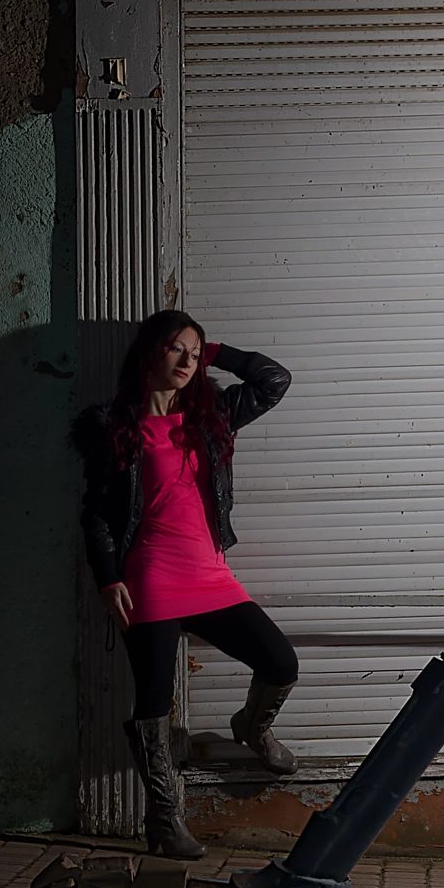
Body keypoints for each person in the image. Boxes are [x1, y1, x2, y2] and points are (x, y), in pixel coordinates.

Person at [72, 311, 298, 858]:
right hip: (149, 577)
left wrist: (214, 348)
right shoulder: (112, 427)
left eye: (193, 354)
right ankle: (165, 821)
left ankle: (250, 724)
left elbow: (275, 380)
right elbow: (97, 514)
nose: (186, 362)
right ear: (149, 353)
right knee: (153, 703)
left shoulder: (213, 415)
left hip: (210, 576)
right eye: (176, 349)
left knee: (280, 663)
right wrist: (107, 580)